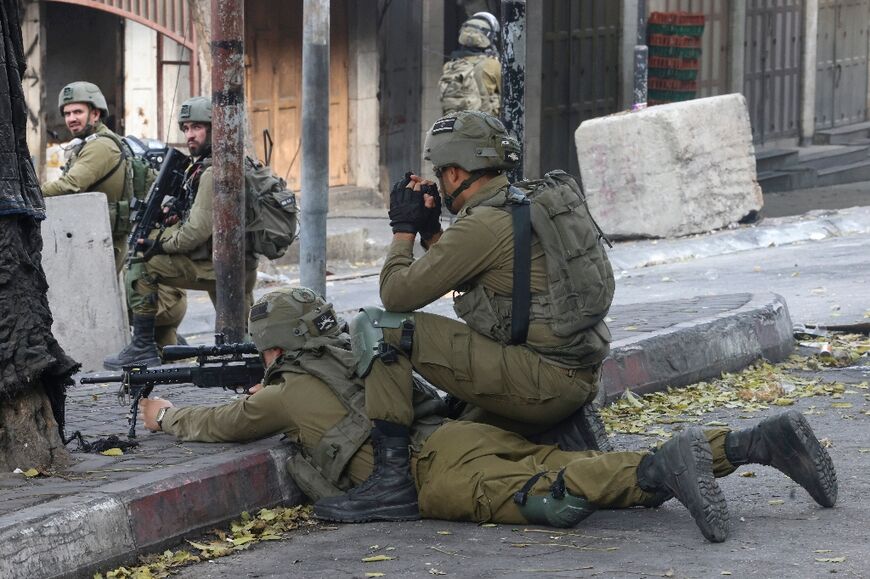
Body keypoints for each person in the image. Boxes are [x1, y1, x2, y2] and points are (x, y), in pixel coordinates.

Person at [140, 288, 838, 543]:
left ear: (276, 348)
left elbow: (221, 422)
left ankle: (669, 462)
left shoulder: (285, 388)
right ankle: (748, 439)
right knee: (568, 465)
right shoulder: (358, 352)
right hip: (457, 434)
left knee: (552, 493)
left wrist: (166, 412)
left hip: (434, 474)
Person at [321, 110, 616, 520]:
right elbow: (486, 283)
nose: (440, 183)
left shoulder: (481, 226)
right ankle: (560, 438)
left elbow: (396, 296)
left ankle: (391, 485)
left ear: (457, 173)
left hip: (542, 379)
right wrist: (431, 234)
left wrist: (403, 231)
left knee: (377, 326)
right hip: (574, 374)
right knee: (455, 431)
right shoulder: (521, 202)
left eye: (441, 173)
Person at [102, 96, 259, 370]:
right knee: (242, 341)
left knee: (143, 263)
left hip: (218, 266)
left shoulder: (213, 173)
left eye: (197, 127)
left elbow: (195, 232)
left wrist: (158, 243)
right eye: (185, 128)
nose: (189, 135)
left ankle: (142, 347)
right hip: (238, 262)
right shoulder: (230, 162)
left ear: (215, 128)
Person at [43, 81, 186, 349]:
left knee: (110, 302)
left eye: (78, 112)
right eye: (67, 113)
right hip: (97, 237)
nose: (71, 118)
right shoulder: (87, 144)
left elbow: (70, 185)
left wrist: (31, 194)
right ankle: (163, 346)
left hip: (109, 239)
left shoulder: (100, 147)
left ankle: (151, 344)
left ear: (95, 114)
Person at [440, 12, 502, 116]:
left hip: (457, 128)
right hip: (486, 128)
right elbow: (510, 97)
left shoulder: (451, 66)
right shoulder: (492, 65)